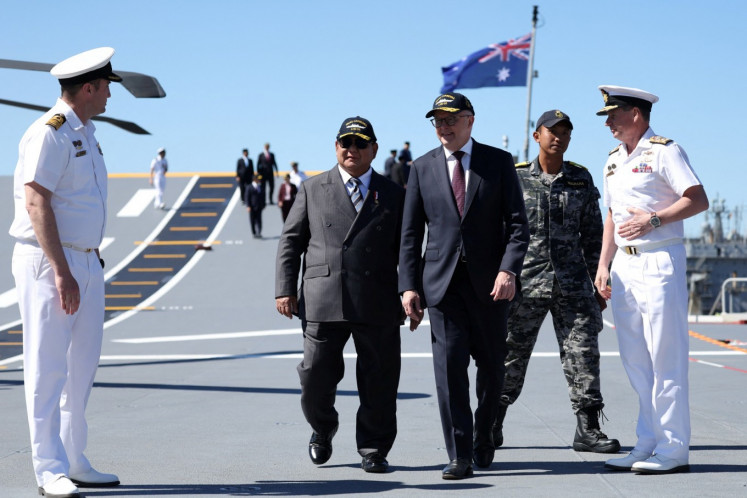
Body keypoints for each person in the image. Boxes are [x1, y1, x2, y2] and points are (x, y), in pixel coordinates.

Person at [9, 47, 122, 498]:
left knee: (81, 366)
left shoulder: (87, 132)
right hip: (49, 261)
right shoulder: (49, 133)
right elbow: (36, 201)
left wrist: (86, 262)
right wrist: (61, 270)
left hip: (87, 259)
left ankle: (75, 459)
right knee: (47, 366)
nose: (112, 93)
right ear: (89, 87)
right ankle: (48, 469)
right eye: (108, 86)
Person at [399, 93, 529, 479]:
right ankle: (459, 453)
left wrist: (509, 270)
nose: (443, 126)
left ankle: (485, 432)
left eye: (451, 119)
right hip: (442, 288)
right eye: (437, 120)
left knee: (491, 368)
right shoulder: (421, 167)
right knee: (449, 367)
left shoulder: (498, 162)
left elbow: (519, 225)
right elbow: (410, 234)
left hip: (492, 286)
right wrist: (409, 287)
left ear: (470, 121)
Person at [275, 116, 405, 474]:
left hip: (377, 299)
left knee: (379, 380)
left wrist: (410, 292)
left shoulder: (394, 193)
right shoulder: (313, 188)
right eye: (345, 143)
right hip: (323, 297)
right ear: (336, 148)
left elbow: (406, 249)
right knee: (314, 377)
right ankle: (322, 426)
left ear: (373, 150)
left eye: (360, 143)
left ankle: (374, 448)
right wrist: (285, 289)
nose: (352, 149)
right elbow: (291, 242)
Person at [593, 85, 709, 474]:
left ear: (636, 115)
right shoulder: (612, 160)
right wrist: (603, 264)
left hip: (660, 260)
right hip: (625, 267)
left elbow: (697, 198)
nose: (607, 122)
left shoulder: (664, 151)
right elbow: (612, 214)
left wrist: (654, 219)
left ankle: (674, 448)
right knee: (636, 360)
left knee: (666, 357)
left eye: (613, 114)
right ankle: (647, 441)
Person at [494, 110, 620, 455]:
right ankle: (492, 422)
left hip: (573, 285)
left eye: (565, 132)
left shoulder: (580, 179)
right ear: (537, 136)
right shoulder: (515, 178)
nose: (558, 137)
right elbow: (500, 233)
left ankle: (588, 429)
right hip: (525, 284)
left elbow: (594, 234)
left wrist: (600, 278)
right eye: (552, 131)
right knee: (509, 355)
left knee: (584, 356)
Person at [245, 173, 265, 238]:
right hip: (252, 206)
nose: (259, 180)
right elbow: (247, 197)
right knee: (252, 220)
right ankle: (254, 233)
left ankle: (259, 232)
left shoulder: (260, 187)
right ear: (254, 179)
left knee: (259, 220)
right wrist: (248, 206)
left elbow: (263, 196)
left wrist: (263, 204)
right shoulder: (249, 187)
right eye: (258, 179)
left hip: (259, 206)